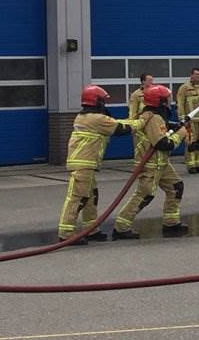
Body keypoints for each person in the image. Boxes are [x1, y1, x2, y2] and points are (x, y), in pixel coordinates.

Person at [56, 86, 144, 243]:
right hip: (83, 164)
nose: (105, 104)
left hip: (86, 164)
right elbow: (121, 128)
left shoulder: (86, 117)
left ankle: (91, 229)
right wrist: (143, 121)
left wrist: (134, 119)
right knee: (78, 198)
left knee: (90, 197)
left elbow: (114, 122)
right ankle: (66, 234)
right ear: (96, 101)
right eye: (103, 101)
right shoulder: (95, 119)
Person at [113, 85, 189, 239]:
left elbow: (161, 128)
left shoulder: (155, 115)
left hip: (161, 163)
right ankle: (121, 227)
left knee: (176, 187)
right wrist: (180, 133)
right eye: (167, 99)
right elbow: (161, 143)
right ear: (160, 102)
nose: (170, 101)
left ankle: (171, 223)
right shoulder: (154, 118)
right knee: (144, 194)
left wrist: (173, 126)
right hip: (151, 164)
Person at [176, 67, 199, 174]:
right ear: (191, 75)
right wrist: (182, 118)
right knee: (192, 143)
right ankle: (191, 165)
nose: (198, 76)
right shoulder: (184, 88)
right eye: (196, 74)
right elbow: (180, 104)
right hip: (191, 120)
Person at [127, 72, 155, 162]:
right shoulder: (136, 94)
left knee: (153, 144)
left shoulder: (156, 92)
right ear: (143, 81)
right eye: (149, 80)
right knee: (140, 146)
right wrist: (132, 124)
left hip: (153, 123)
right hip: (141, 124)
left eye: (152, 80)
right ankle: (139, 165)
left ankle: (151, 163)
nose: (152, 82)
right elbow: (132, 110)